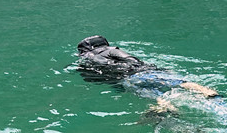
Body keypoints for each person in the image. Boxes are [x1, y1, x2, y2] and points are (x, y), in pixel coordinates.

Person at [76, 35, 219, 116]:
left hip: (127, 81)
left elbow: (96, 79)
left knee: (152, 94)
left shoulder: (87, 60)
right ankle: (204, 91)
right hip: (142, 72)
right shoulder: (110, 50)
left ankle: (166, 106)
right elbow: (132, 60)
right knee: (177, 82)